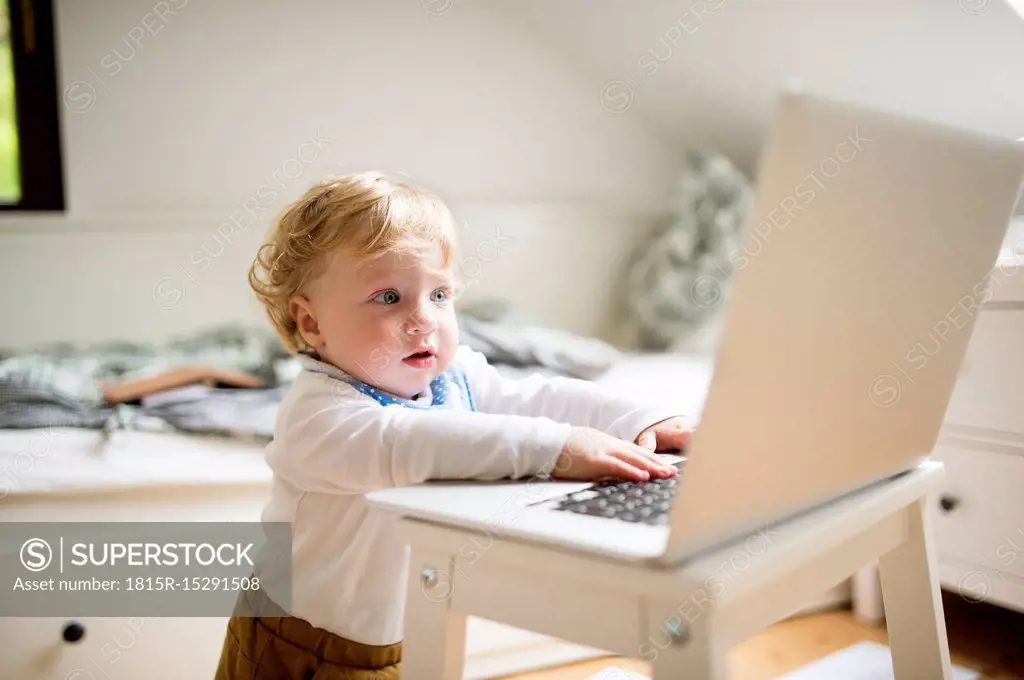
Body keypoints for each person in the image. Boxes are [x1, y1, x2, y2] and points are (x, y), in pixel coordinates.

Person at [215, 171, 693, 679]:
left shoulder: (453, 377)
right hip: (300, 641)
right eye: (388, 298)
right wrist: (556, 448)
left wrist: (641, 419)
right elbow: (411, 443)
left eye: (440, 295)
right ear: (311, 323)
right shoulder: (316, 416)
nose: (423, 319)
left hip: (397, 633)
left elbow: (539, 395)